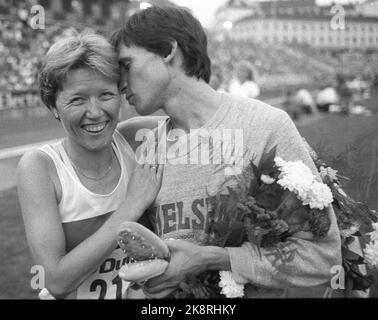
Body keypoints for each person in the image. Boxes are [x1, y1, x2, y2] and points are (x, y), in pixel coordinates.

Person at [111, 6, 342, 298]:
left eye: (127, 65)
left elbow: (323, 257)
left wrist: (215, 258)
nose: (120, 84)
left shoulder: (265, 126)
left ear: (169, 50)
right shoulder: (148, 149)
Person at [16, 32, 163, 299]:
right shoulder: (40, 167)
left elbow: (205, 125)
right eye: (77, 99)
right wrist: (131, 206)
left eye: (106, 94)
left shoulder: (138, 138)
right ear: (53, 106)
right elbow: (56, 281)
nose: (95, 112)